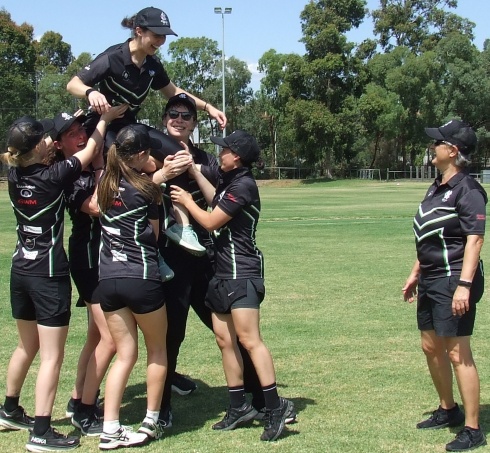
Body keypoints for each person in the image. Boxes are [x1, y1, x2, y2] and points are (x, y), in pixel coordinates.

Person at [151, 94, 294, 428]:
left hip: (211, 260)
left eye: (187, 115)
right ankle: (162, 410)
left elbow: (218, 204)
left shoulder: (210, 162)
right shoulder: (147, 150)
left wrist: (192, 172)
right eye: (173, 113)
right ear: (163, 119)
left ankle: (263, 401)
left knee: (238, 337)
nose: (180, 118)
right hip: (171, 259)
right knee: (173, 337)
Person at [66, 6, 226, 256]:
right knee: (145, 168)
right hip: (104, 125)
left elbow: (173, 92)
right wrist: (91, 92)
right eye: (157, 35)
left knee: (180, 156)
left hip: (130, 127)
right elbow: (73, 83)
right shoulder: (113, 57)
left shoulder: (152, 66)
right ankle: (138, 242)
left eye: (164, 36)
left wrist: (208, 107)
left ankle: (179, 227)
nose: (161, 41)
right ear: (139, 31)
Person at [0, 112, 112, 451]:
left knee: (26, 346)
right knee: (51, 356)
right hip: (48, 276)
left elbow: (49, 148)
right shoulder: (55, 176)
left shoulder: (14, 172)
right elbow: (91, 148)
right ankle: (42, 431)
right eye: (46, 138)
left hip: (20, 271)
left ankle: (9, 408)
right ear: (39, 146)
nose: (52, 139)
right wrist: (103, 120)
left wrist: (75, 117)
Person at [402, 119, 487, 452]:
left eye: (437, 143)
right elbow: (429, 235)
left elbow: (474, 240)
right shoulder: (436, 186)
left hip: (454, 279)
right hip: (431, 278)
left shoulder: (469, 189)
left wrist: (464, 285)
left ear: (453, 151)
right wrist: (415, 272)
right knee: (430, 346)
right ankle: (447, 409)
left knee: (456, 352)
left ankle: (472, 428)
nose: (431, 147)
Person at [48, 109, 125, 436]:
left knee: (96, 336)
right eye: (72, 134)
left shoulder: (92, 164)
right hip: (89, 260)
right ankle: (84, 409)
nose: (81, 136)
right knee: (110, 339)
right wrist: (97, 166)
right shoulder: (67, 175)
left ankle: (79, 397)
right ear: (60, 145)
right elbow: (96, 207)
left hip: (101, 257)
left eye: (82, 129)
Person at [96, 124, 168, 450]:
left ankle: (110, 428)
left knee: (124, 354)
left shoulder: (104, 185)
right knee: (157, 350)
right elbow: (154, 235)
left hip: (107, 281)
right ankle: (151, 421)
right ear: (140, 155)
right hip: (141, 277)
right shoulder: (148, 189)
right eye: (147, 153)